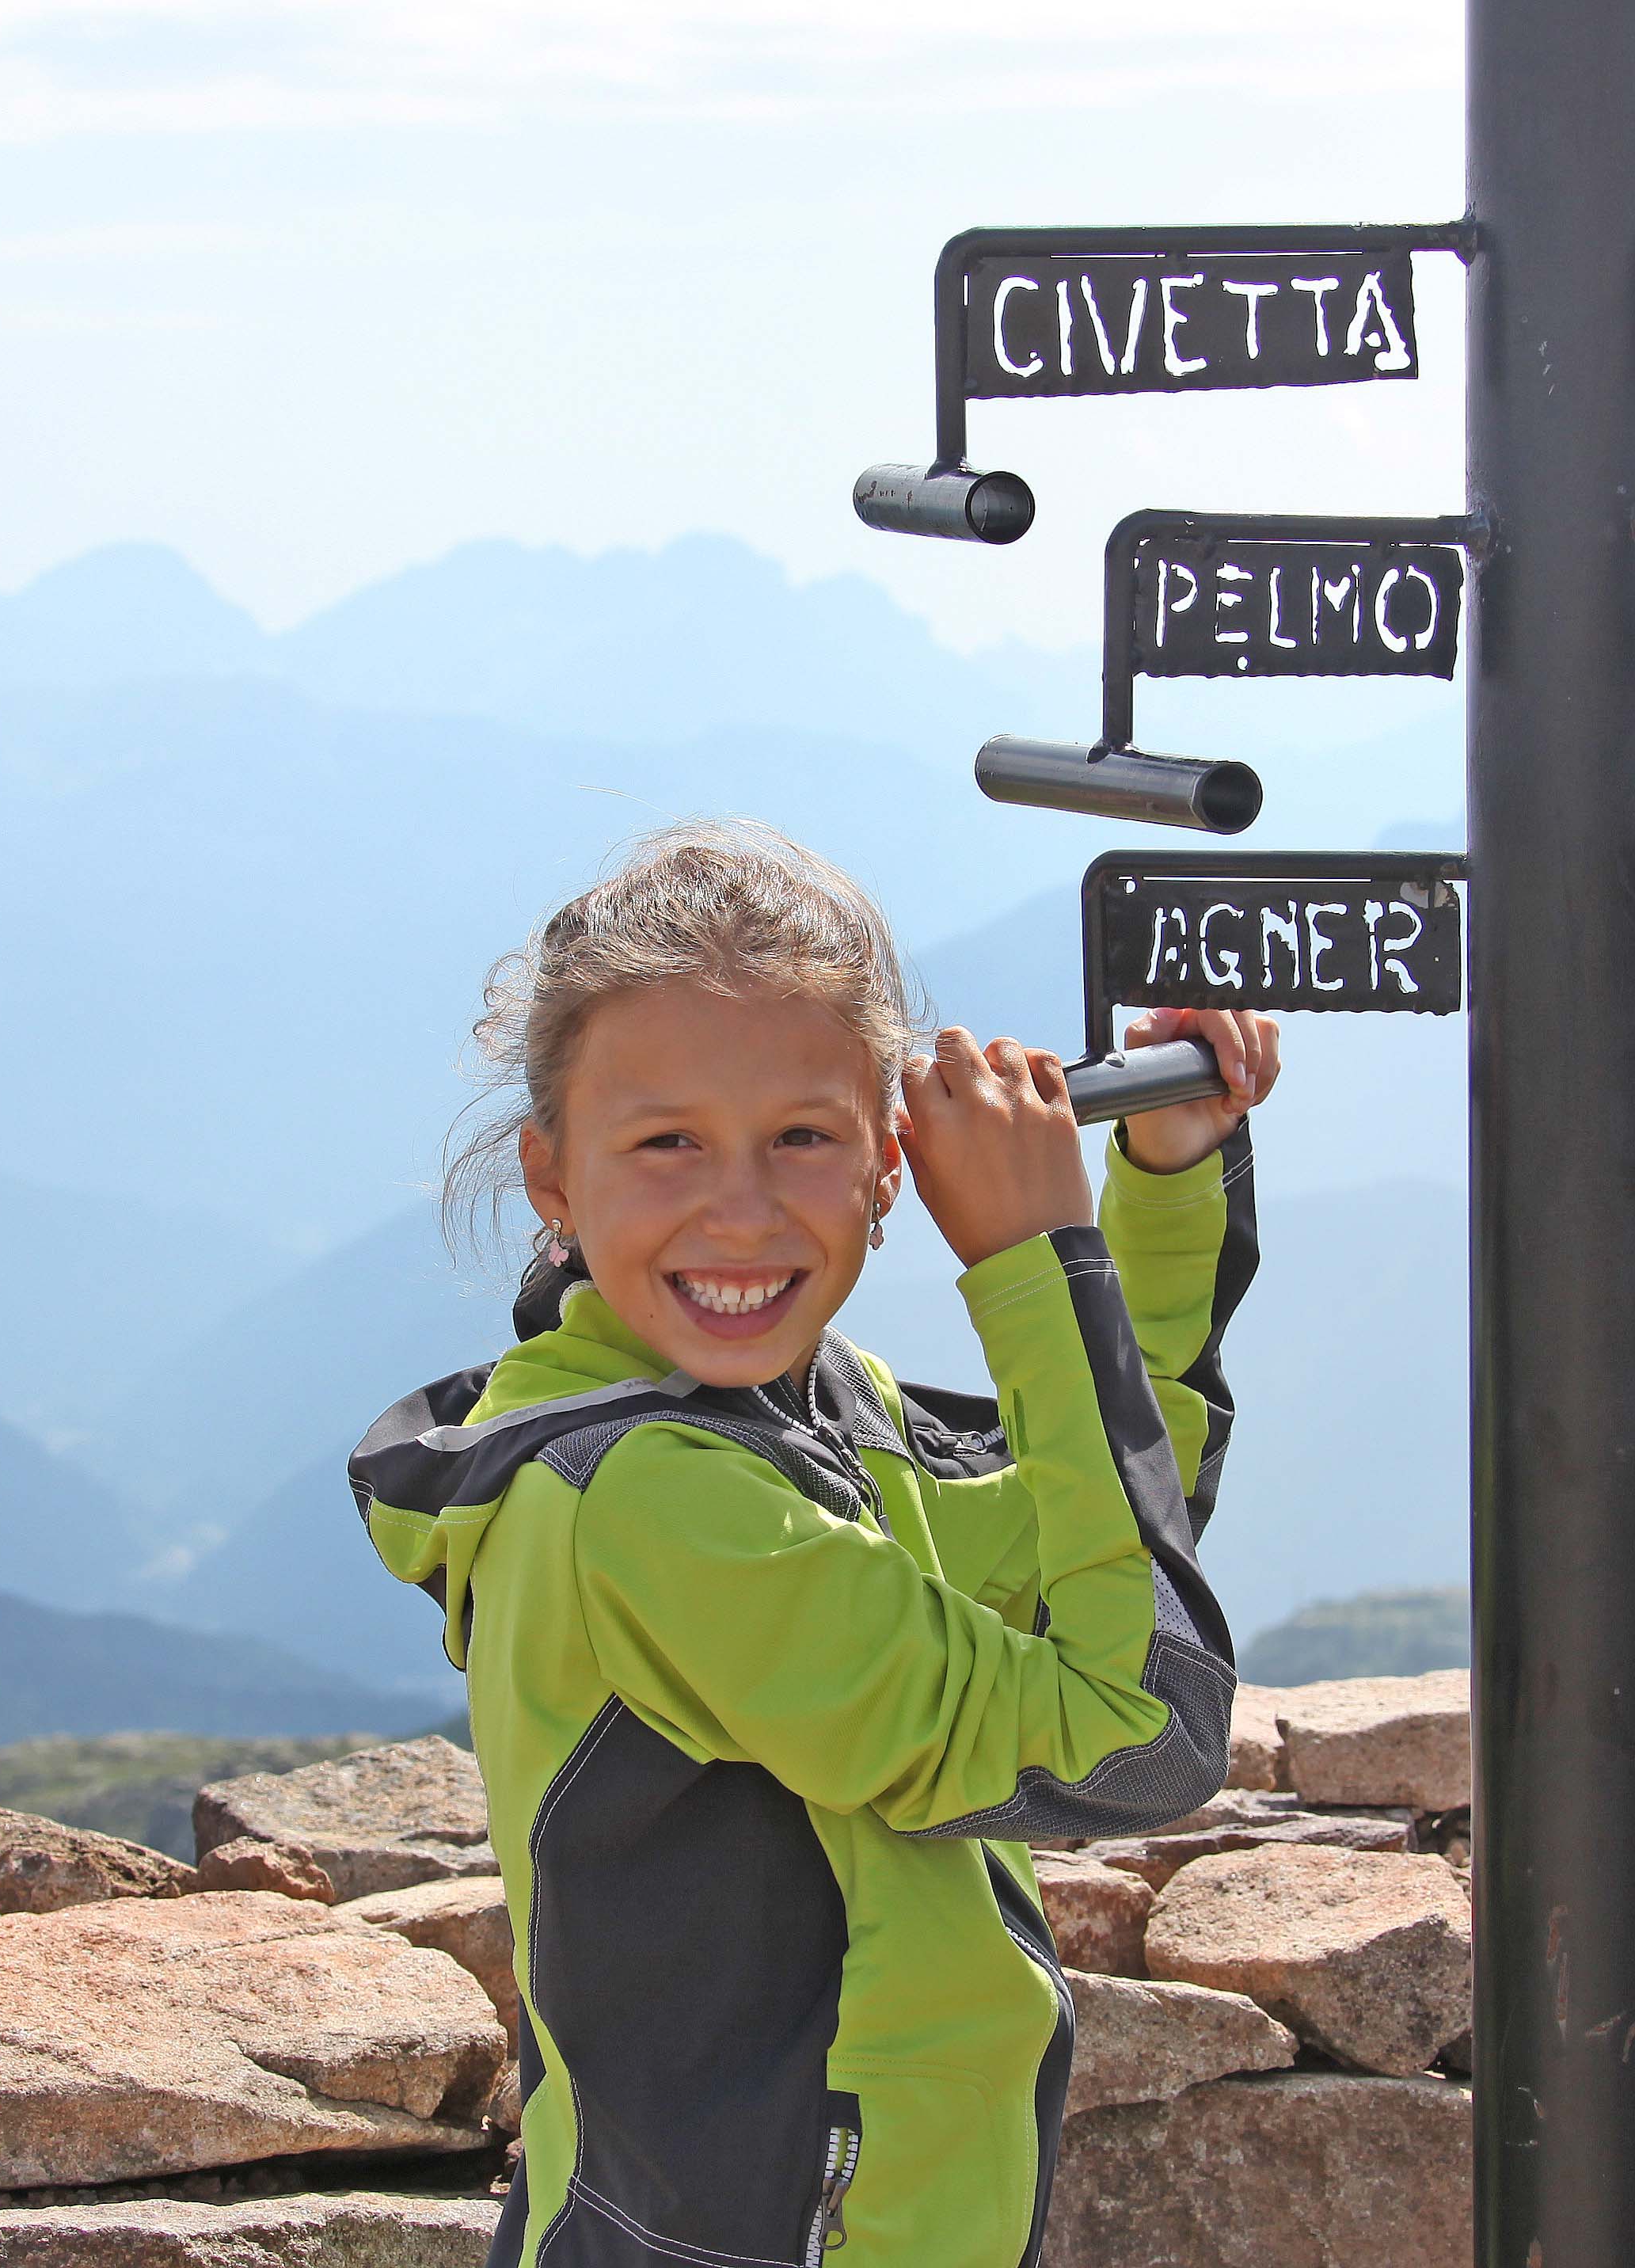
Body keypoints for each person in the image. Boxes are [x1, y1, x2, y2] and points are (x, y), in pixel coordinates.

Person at [353, 819, 1276, 2268]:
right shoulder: (656, 1502)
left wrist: (1160, 1189)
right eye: (666, 1143)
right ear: (552, 1177)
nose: (741, 1206)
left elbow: (1098, 1553)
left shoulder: (810, 1416)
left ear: (886, 1170)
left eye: (803, 1136)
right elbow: (1142, 1722)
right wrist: (1039, 1267)